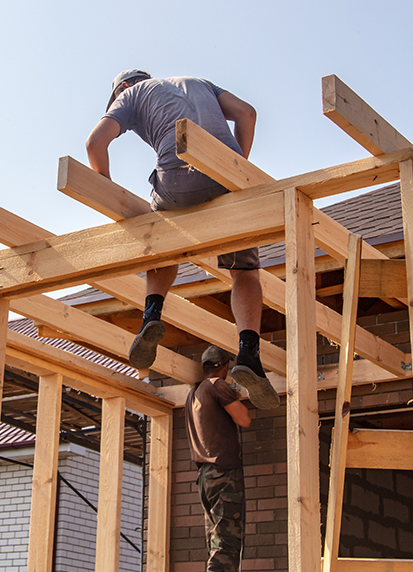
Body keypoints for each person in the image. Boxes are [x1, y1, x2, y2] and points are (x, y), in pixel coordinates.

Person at [86, 70, 279, 409]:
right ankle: (249, 351)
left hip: (178, 182)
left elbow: (94, 143)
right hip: (228, 178)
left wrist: (106, 191)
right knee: (245, 271)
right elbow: (248, 113)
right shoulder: (200, 82)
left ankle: (151, 315)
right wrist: (235, 167)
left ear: (124, 88)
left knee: (161, 239)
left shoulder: (131, 95)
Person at [185, 345, 251, 572]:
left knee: (216, 540)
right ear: (224, 367)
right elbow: (244, 418)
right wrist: (236, 395)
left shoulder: (192, 394)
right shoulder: (216, 385)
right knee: (227, 542)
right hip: (223, 472)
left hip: (205, 477)